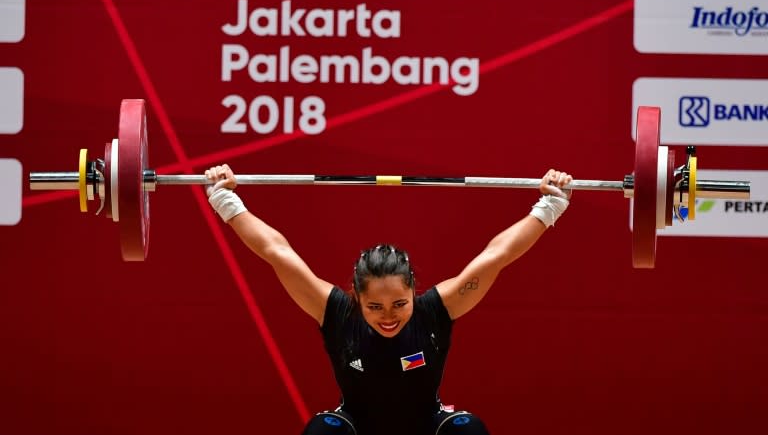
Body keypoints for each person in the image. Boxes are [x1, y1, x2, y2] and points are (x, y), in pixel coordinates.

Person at [204, 164, 573, 435]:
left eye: (399, 304)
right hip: (354, 429)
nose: (388, 317)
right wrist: (225, 198)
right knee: (322, 433)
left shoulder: (435, 310)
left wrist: (549, 206)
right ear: (357, 297)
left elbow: (498, 255)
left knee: (468, 431)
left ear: (413, 290)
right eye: (374, 307)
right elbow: (276, 251)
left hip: (428, 428)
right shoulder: (335, 311)